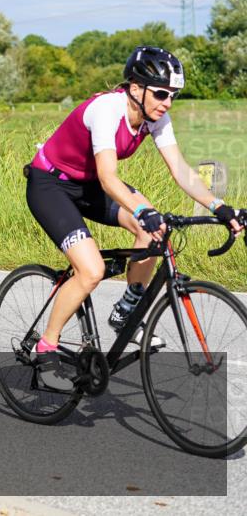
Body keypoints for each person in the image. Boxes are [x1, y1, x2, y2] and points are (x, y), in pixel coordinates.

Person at [24, 46, 243, 390]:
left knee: (156, 231)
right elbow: (109, 177)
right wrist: (143, 209)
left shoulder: (156, 118)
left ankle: (126, 310)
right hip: (51, 184)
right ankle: (46, 349)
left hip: (89, 185)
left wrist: (220, 206)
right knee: (92, 270)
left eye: (173, 95)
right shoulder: (107, 110)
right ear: (136, 87)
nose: (167, 102)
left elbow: (181, 171)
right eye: (160, 93)